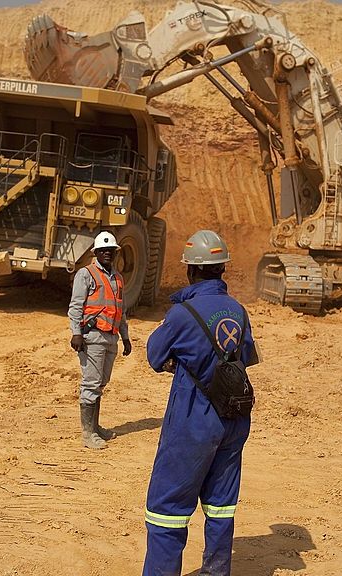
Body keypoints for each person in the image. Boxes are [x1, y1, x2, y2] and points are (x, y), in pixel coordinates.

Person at [142, 229, 259, 576]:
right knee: (221, 505)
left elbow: (154, 355)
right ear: (222, 269)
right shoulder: (238, 311)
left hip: (193, 420)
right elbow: (246, 356)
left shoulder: (181, 314)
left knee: (166, 509)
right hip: (234, 420)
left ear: (190, 271)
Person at [68, 231, 132, 450]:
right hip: (92, 337)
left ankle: (95, 427)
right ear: (96, 252)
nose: (107, 253)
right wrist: (76, 332)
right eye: (103, 250)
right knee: (91, 384)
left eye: (111, 251)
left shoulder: (118, 278)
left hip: (111, 337)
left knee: (101, 383)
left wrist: (125, 336)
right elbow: (76, 306)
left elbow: (121, 310)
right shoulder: (86, 274)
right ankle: (88, 434)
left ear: (115, 253)